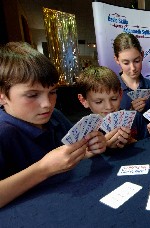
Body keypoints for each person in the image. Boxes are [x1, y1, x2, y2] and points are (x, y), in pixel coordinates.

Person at [0, 42, 106, 208]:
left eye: (52, 92)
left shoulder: (55, 116)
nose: (47, 104)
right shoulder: (3, 132)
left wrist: (87, 150)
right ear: (2, 95)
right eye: (32, 95)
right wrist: (43, 169)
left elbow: (72, 154)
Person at [76, 66, 148, 148]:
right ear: (83, 100)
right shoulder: (83, 131)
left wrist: (132, 141)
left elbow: (149, 146)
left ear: (120, 94)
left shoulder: (136, 118)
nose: (109, 107)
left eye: (114, 99)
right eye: (98, 102)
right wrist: (103, 148)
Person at [113, 32, 150, 112]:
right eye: (126, 63)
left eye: (136, 61)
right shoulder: (111, 89)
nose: (133, 68)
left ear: (142, 55)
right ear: (117, 59)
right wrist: (131, 112)